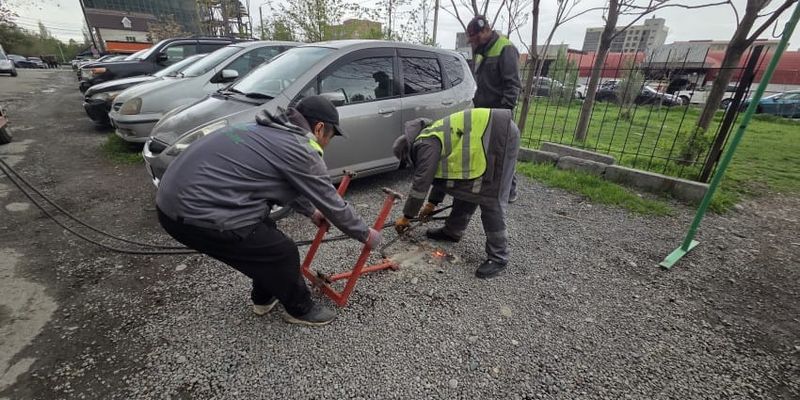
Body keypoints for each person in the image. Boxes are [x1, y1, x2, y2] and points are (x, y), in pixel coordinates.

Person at [156, 96, 382, 327]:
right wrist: (365, 234)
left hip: (174, 200)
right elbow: (332, 203)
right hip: (194, 212)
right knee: (282, 252)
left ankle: (264, 297)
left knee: (264, 238)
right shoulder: (301, 148)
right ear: (319, 128)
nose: (327, 143)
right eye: (330, 137)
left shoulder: (267, 129)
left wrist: (311, 211)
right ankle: (300, 308)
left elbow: (287, 181)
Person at [393, 108, 520, 279]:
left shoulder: (425, 144)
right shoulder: (429, 137)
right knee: (466, 186)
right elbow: (441, 175)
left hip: (498, 134)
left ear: (407, 153)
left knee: (490, 196)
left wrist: (407, 217)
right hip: (487, 138)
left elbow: (421, 183)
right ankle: (453, 231)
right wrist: (431, 204)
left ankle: (499, 256)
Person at [466, 15, 522, 203]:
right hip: (482, 111)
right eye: (471, 39)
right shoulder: (483, 50)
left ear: (486, 30)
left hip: (499, 112)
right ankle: (487, 184)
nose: (474, 42)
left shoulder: (505, 48)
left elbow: (512, 85)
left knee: (502, 152)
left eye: (475, 37)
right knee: (485, 150)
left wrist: (504, 112)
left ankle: (510, 190)